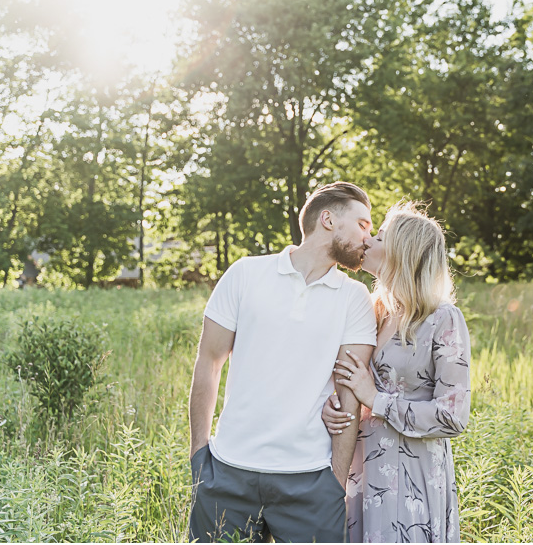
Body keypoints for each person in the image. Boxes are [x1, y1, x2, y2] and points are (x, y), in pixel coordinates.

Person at [188, 181, 378, 543]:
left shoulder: (355, 298)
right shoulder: (245, 274)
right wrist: (200, 454)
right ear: (328, 219)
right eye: (363, 224)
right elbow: (209, 362)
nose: (368, 238)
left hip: (310, 483)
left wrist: (335, 483)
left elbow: (349, 393)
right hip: (227, 473)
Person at [323, 202, 471, 543]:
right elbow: (351, 384)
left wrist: (376, 400)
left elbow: (453, 415)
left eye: (379, 236)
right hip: (362, 468)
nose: (367, 241)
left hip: (412, 477)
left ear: (403, 251)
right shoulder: (370, 312)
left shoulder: (442, 319)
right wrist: (334, 407)